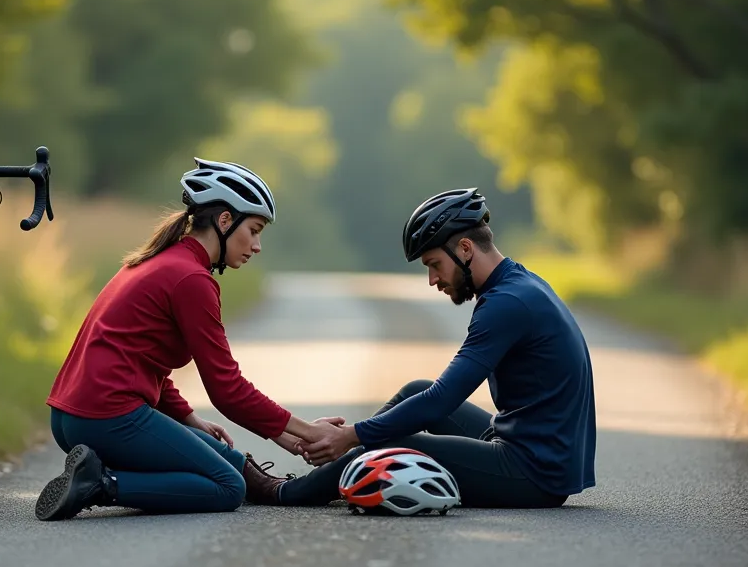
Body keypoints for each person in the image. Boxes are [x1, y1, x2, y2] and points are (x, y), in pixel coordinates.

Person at [244, 188, 597, 510]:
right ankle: (338, 465)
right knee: (415, 391)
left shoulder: (506, 304)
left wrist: (351, 436)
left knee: (392, 444)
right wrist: (347, 439)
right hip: (531, 448)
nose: (433, 280)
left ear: (465, 249)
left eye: (434, 265)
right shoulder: (521, 283)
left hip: (533, 472)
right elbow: (430, 396)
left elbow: (442, 400)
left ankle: (286, 492)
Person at [33, 157, 342, 521]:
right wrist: (307, 430)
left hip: (70, 416)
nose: (256, 246)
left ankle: (277, 488)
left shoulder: (155, 261)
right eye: (254, 230)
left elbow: (143, 360)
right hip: (108, 418)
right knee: (228, 487)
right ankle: (100, 484)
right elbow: (227, 389)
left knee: (225, 457)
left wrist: (193, 421)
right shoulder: (191, 279)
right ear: (225, 220)